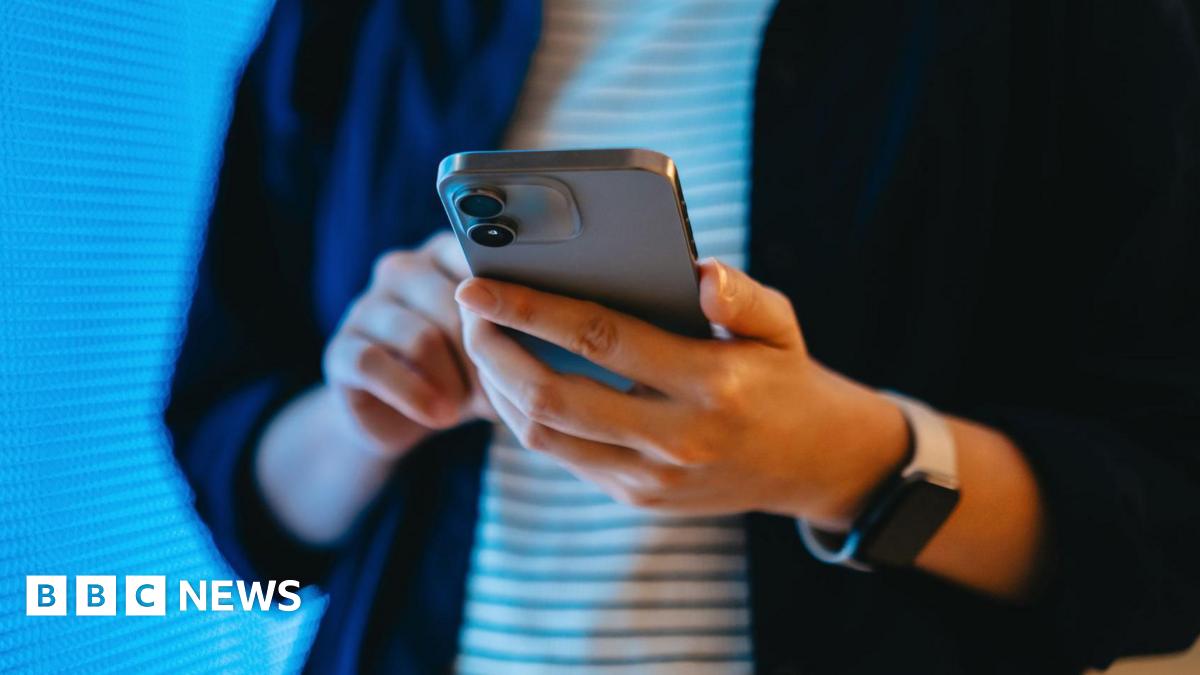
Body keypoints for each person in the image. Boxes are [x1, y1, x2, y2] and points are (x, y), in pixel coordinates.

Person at [165, 1, 1200, 673]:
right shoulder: (352, 26)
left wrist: (850, 466)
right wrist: (366, 412)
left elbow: (1163, 534)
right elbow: (242, 498)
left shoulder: (1072, 28)